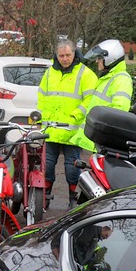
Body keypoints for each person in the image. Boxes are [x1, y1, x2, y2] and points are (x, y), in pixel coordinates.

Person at [37, 40, 98, 209]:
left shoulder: (85, 73)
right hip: (51, 130)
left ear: (74, 53)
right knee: (47, 166)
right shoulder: (50, 73)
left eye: (68, 55)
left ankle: (73, 196)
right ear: (56, 56)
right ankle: (45, 195)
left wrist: (76, 114)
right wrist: (41, 117)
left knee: (72, 168)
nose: (64, 59)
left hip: (72, 131)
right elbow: (42, 96)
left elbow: (90, 99)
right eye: (61, 55)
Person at [70, 39, 133, 152]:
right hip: (98, 140)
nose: (97, 61)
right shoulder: (108, 77)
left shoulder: (121, 79)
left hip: (102, 142)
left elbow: (120, 110)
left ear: (110, 59)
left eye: (100, 58)